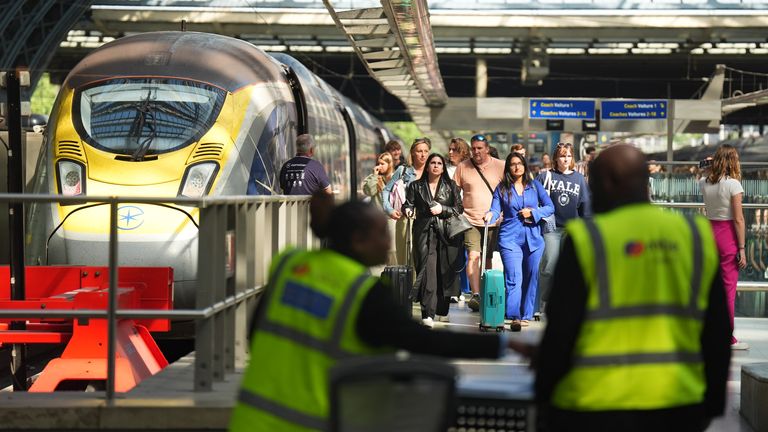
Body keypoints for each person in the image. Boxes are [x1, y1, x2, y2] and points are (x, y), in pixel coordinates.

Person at [229, 193, 521, 432]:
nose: (387, 242)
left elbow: (256, 332)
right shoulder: (362, 293)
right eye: (381, 234)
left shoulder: (290, 266)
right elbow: (425, 341)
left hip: (249, 419)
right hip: (310, 423)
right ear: (358, 240)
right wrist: (505, 345)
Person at [529, 145, 731, 432]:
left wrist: (543, 396)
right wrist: (712, 403)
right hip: (677, 404)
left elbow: (562, 331)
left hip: (595, 405)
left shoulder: (588, 238)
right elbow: (717, 329)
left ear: (608, 183)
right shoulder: (694, 235)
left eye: (594, 185)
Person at [484, 153, 553, 331]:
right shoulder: (502, 188)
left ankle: (525, 314)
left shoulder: (535, 186)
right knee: (514, 277)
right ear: (508, 168)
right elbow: (494, 208)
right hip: (510, 238)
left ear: (524, 166)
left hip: (534, 239)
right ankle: (514, 316)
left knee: (531, 276)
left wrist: (534, 213)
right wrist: (490, 215)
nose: (516, 167)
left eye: (519, 164)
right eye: (513, 164)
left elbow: (549, 207)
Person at [403, 153, 464, 327]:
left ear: (443, 168)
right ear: (428, 166)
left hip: (446, 235)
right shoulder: (416, 186)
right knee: (427, 271)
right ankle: (427, 313)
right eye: (433, 163)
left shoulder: (451, 186)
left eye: (439, 163)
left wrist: (442, 209)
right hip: (424, 233)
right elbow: (408, 203)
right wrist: (408, 209)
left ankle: (441, 309)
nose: (436, 166)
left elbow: (458, 208)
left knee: (443, 272)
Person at [700, 144, 749, 350]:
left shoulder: (703, 182)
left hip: (709, 234)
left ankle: (708, 331)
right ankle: (727, 338)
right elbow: (738, 219)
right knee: (728, 289)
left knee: (711, 288)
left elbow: (704, 173)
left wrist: (709, 167)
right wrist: (742, 248)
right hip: (727, 236)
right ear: (733, 161)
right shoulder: (734, 185)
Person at [535, 142, 590, 314]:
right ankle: (544, 300)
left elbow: (585, 206)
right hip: (551, 229)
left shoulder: (579, 179)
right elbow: (533, 198)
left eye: (568, 156)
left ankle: (565, 303)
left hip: (572, 229)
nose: (565, 159)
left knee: (569, 269)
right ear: (555, 158)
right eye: (562, 156)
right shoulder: (545, 177)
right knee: (549, 266)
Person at [453, 134, 505, 311]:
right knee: (474, 255)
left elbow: (509, 190)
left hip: (493, 221)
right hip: (470, 219)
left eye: (479, 148)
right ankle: (475, 295)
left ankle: (486, 290)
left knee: (487, 258)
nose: (476, 151)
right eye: (473, 148)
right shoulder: (462, 167)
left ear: (487, 149)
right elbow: (454, 192)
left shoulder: (500, 166)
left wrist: (503, 212)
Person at [382, 138, 431, 265]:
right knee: (406, 261)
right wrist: (389, 209)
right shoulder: (403, 171)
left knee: (424, 261)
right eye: (419, 151)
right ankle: (407, 285)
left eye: (426, 151)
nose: (423, 154)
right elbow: (386, 190)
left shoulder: (433, 170)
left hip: (428, 221)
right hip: (405, 220)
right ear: (413, 153)